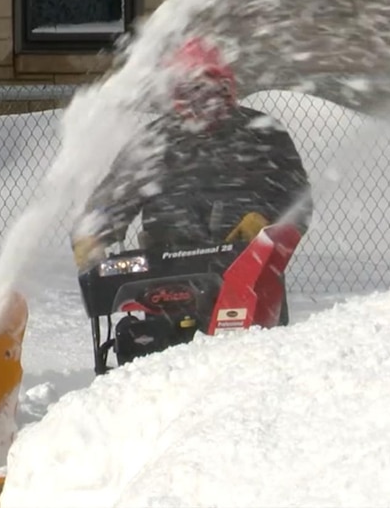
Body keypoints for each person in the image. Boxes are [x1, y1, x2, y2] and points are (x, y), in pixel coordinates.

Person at [71, 37, 313, 323]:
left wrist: (268, 222)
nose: (202, 100)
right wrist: (93, 233)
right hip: (165, 277)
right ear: (177, 94)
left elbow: (298, 199)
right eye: (192, 90)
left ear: (227, 89)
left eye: (211, 89)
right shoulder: (154, 141)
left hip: (248, 274)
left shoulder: (263, 133)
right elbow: (116, 196)